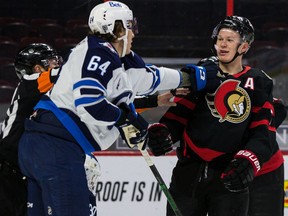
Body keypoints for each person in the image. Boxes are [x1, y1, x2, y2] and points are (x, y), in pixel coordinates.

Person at [17, 2, 220, 216]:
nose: (134, 33)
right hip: (57, 149)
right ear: (118, 28)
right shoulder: (99, 53)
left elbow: (147, 77)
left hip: (40, 146)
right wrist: (125, 120)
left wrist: (186, 78)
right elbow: (90, 103)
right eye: (130, 26)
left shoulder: (108, 55)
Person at [147, 16, 284, 216]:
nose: (223, 44)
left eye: (230, 40)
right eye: (220, 38)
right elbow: (179, 115)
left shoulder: (258, 81)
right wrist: (163, 132)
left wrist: (249, 160)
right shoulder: (203, 75)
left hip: (228, 174)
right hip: (189, 172)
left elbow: (262, 131)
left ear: (244, 47)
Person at [0, 43, 63, 216]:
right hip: (7, 169)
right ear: (37, 67)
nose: (57, 63)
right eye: (51, 61)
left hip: (24, 171)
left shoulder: (49, 93)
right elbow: (62, 75)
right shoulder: (30, 82)